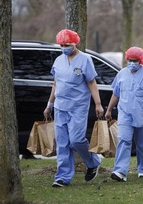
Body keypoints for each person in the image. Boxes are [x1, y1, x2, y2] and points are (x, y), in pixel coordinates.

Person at [43, 29, 104, 187]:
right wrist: (49, 105)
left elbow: (91, 82)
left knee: (76, 140)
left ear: (75, 43)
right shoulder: (58, 61)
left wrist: (98, 104)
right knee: (62, 143)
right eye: (62, 45)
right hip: (60, 107)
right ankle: (62, 177)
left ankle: (92, 162)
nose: (64, 47)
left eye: (67, 44)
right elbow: (55, 84)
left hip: (78, 106)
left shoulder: (85, 59)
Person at [105, 46, 143, 182]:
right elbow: (116, 93)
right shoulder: (122, 74)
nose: (132, 63)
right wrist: (109, 110)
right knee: (123, 141)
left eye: (135, 60)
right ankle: (120, 171)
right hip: (125, 114)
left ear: (140, 61)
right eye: (130, 60)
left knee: (142, 144)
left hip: (142, 114)